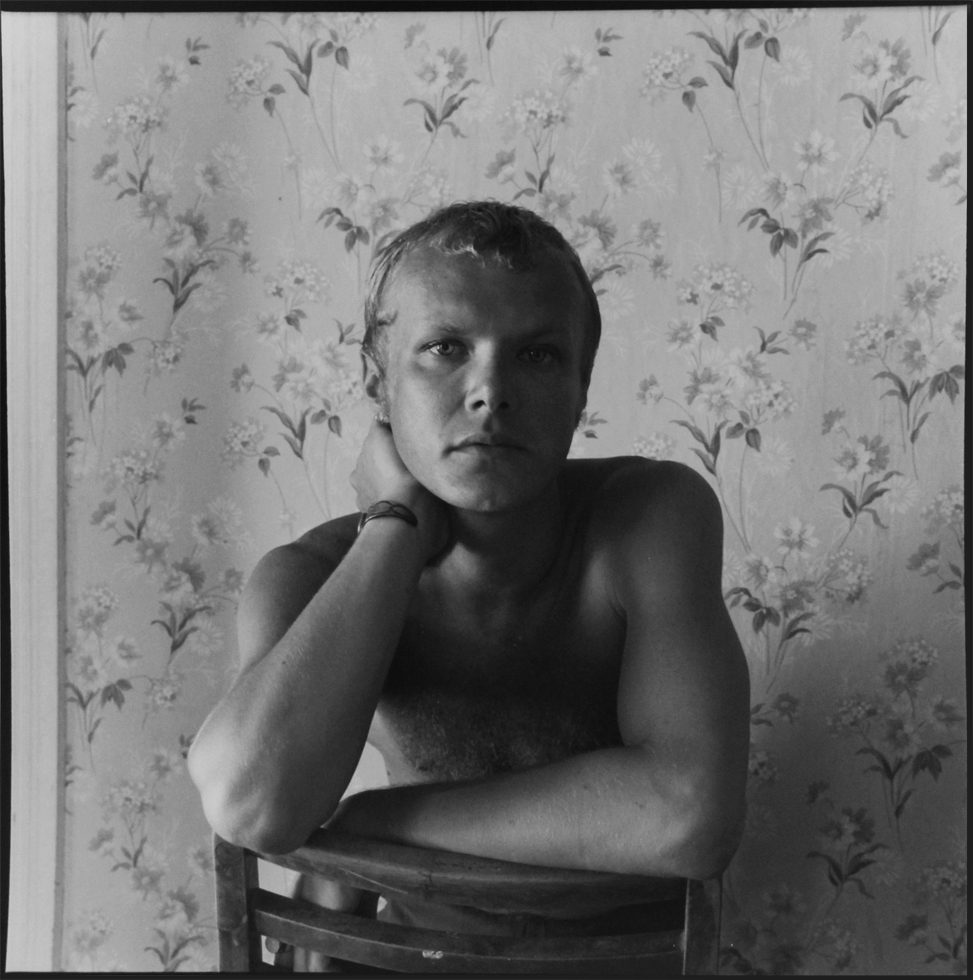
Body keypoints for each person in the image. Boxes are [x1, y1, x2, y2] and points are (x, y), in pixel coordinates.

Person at [188, 200, 750, 967]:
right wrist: (392, 524)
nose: (490, 390)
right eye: (445, 348)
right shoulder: (311, 576)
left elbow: (689, 815)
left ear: (582, 389)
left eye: (539, 356)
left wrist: (375, 822)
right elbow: (250, 804)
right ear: (377, 384)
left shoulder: (649, 519)